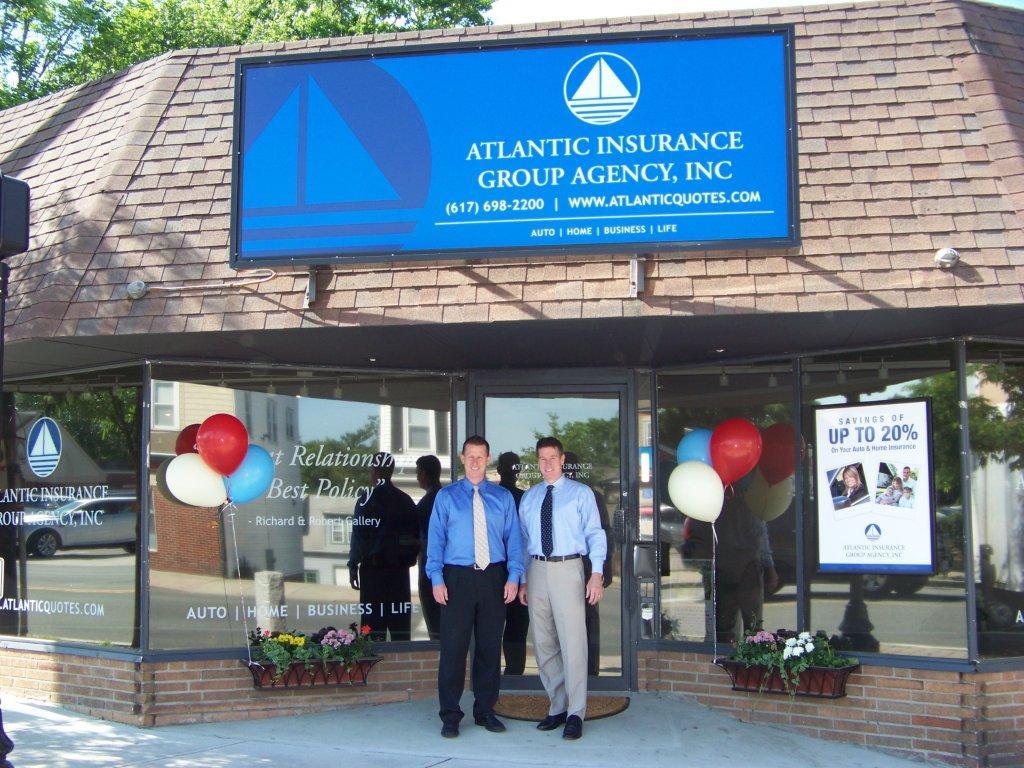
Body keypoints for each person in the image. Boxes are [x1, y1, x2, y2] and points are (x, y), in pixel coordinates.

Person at [426, 436, 523, 739]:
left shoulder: (502, 497)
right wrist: (436, 577)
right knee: (453, 649)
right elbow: (435, 540)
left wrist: (514, 576)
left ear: (488, 459)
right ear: (462, 458)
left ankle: (485, 710)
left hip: (494, 578)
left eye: (481, 456)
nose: (475, 462)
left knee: (490, 648)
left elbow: (514, 540)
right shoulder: (446, 497)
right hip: (457, 579)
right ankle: (450, 715)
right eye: (470, 456)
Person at [518, 436, 607, 741]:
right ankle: (557, 705)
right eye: (542, 459)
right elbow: (523, 542)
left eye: (552, 458)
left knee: (573, 643)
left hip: (569, 567)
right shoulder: (530, 498)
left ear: (562, 459)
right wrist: (524, 579)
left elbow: (595, 534)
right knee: (543, 643)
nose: (547, 464)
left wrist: (596, 574)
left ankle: (575, 712)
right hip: (537, 569)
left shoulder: (580, 494)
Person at [347, 452, 420, 641]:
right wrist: (409, 558)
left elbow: (359, 536)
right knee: (400, 632)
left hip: (373, 573)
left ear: (375, 470)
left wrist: (353, 565)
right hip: (398, 573)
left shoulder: (367, 500)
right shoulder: (405, 501)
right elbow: (415, 537)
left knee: (372, 633)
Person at [562, 451, 613, 677]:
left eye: (572, 468)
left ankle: (590, 673)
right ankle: (566, 673)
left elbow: (604, 533)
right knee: (560, 624)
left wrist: (601, 572)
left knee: (588, 622)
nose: (569, 472)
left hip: (587, 569)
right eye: (567, 467)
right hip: (558, 568)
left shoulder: (591, 495)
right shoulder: (548, 494)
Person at [497, 451, 530, 676]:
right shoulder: (490, 496)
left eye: (514, 467)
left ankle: (514, 674)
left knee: (517, 624)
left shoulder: (527, 498)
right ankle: (506, 674)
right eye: (508, 467)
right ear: (499, 470)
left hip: (520, 571)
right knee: (495, 624)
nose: (511, 471)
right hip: (494, 570)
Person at [415, 454, 443, 641]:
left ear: (424, 474)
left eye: (418, 473)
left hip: (429, 567)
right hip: (447, 569)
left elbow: (417, 537)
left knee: (435, 622)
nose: (417, 477)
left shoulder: (428, 502)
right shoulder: (446, 497)